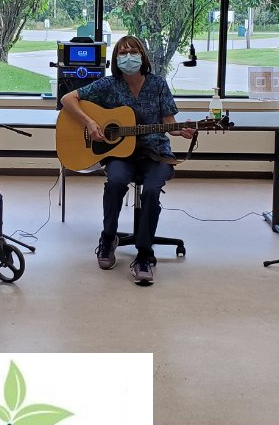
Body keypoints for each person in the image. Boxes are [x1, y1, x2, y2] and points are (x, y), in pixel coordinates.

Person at [59, 35, 196, 285]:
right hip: (121, 154)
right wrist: (89, 122)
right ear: (115, 59)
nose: (128, 56)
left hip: (155, 153)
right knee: (116, 181)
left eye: (133, 51)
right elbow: (67, 99)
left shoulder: (158, 85)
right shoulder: (108, 85)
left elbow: (168, 124)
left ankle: (144, 255)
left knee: (152, 191)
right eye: (122, 53)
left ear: (142, 56)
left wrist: (181, 130)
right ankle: (108, 237)